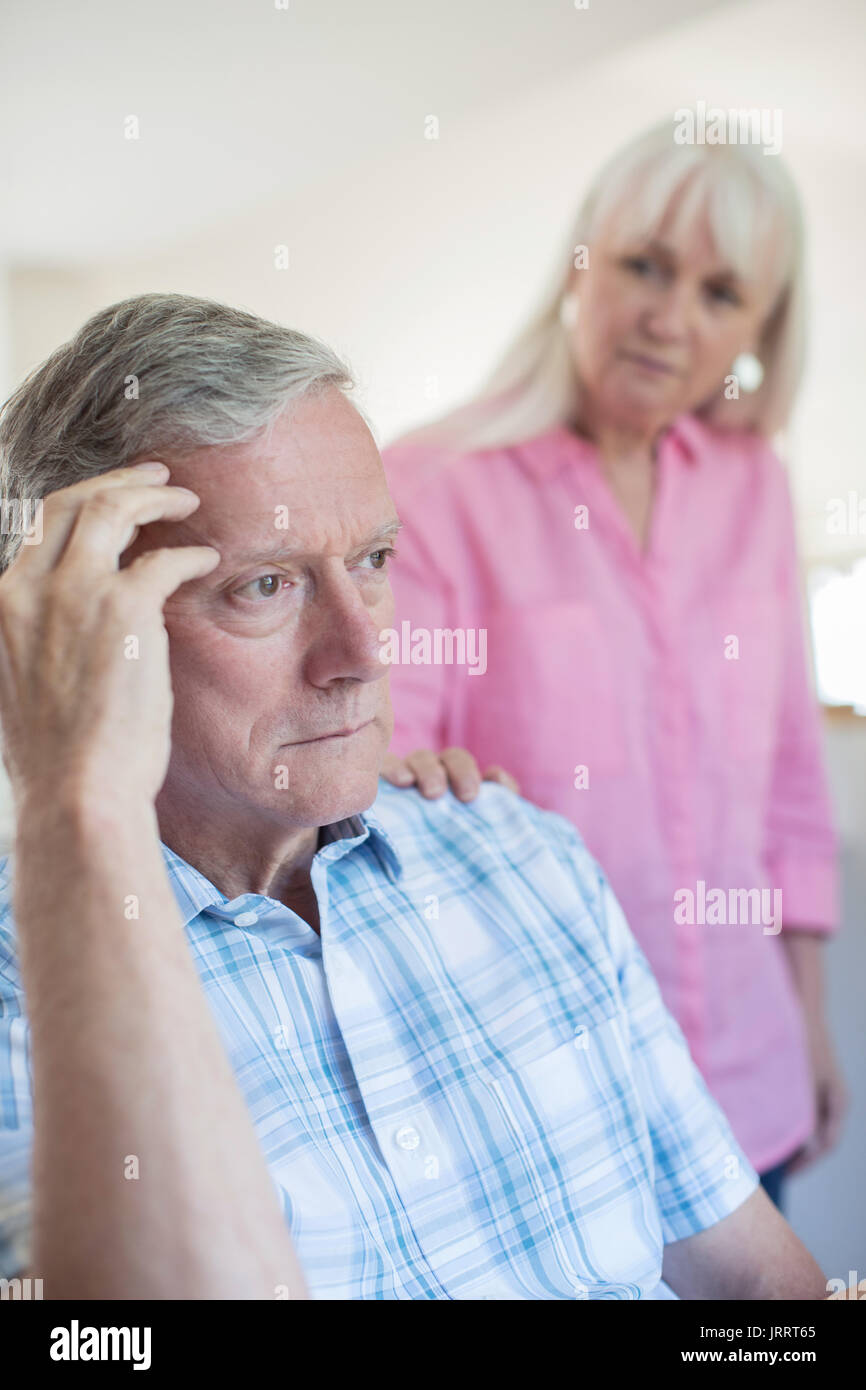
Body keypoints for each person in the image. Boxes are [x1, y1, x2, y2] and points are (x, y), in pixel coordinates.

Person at [0, 294, 828, 1299]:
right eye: (265, 586)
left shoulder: (520, 854)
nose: (363, 649)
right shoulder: (28, 997)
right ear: (74, 627)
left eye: (374, 562)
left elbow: (754, 1292)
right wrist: (75, 791)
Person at [380, 122, 847, 1213]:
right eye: (642, 265)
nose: (668, 318)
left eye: (720, 292)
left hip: (746, 1079)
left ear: (755, 330)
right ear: (581, 263)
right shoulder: (434, 484)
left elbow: (786, 774)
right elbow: (387, 777)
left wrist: (808, 1021)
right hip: (544, 1099)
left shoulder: (750, 486)